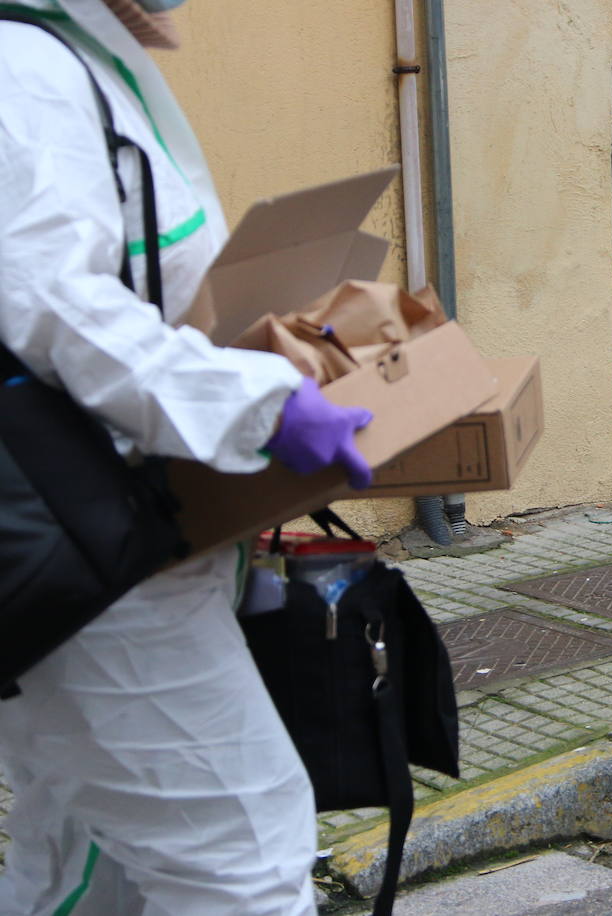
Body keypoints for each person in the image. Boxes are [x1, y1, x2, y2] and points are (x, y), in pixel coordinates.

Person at [0, 0, 373, 912]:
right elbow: (52, 304)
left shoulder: (80, 55)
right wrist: (259, 404)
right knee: (238, 854)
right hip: (86, 563)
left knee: (92, 860)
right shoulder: (21, 66)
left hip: (114, 537)